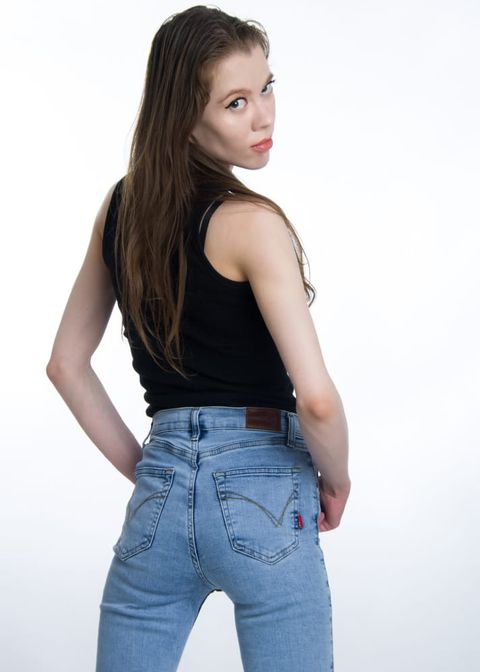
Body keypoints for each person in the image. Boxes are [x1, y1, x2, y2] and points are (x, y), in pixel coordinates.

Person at [46, 5, 351, 671]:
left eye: (267, 88)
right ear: (184, 115)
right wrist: (336, 477)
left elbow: (66, 365)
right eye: (235, 102)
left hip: (160, 482)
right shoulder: (253, 223)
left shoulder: (121, 208)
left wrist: (153, 471)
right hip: (266, 484)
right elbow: (317, 400)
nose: (263, 117)